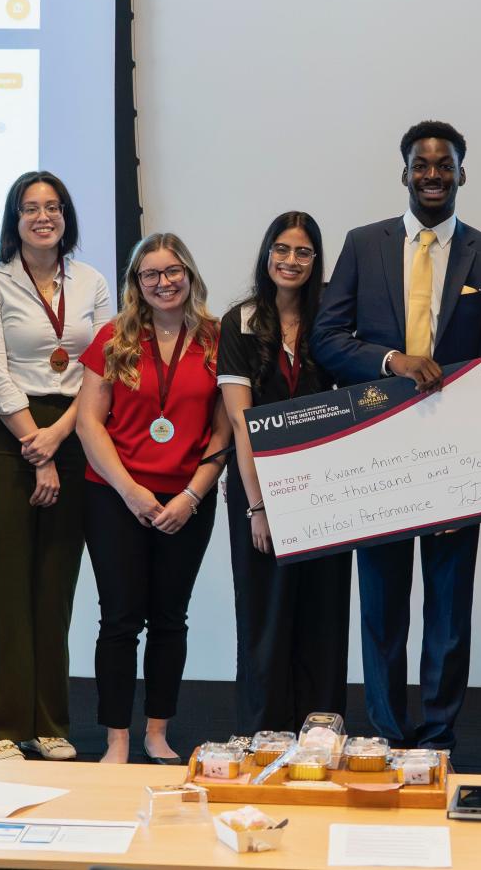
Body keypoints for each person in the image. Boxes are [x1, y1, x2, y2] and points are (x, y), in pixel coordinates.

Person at [311, 120, 481, 749]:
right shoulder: (363, 245)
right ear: (404, 174)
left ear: (462, 173)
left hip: (455, 463)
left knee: (449, 617)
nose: (432, 174)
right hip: (378, 456)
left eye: (444, 164)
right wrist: (391, 361)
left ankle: (435, 741)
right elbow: (329, 338)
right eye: (421, 165)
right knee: (381, 612)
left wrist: (474, 479)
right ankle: (385, 739)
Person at [0, 170, 114, 760]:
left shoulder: (94, 282)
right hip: (8, 437)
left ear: (66, 216)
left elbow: (101, 364)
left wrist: (59, 438)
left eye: (53, 207)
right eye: (30, 208)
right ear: (15, 219)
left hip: (75, 431)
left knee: (55, 587)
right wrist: (36, 443)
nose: (43, 217)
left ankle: (49, 722)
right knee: (4, 585)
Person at [77, 232, 229, 764]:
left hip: (189, 499)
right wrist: (130, 489)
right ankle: (117, 738)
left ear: (189, 273)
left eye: (172, 271)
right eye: (150, 274)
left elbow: (223, 430)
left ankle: (157, 732)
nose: (163, 283)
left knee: (170, 617)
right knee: (119, 618)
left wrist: (191, 495)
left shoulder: (216, 338)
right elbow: (88, 424)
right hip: (116, 496)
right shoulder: (113, 338)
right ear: (136, 283)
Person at [218, 211, 352, 733]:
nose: (290, 261)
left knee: (323, 615)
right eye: (281, 249)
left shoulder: (335, 325)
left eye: (302, 252)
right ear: (266, 254)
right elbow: (239, 418)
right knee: (265, 616)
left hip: (326, 495)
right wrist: (259, 505)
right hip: (260, 492)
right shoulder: (242, 321)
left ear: (317, 262)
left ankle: (321, 734)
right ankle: (266, 735)